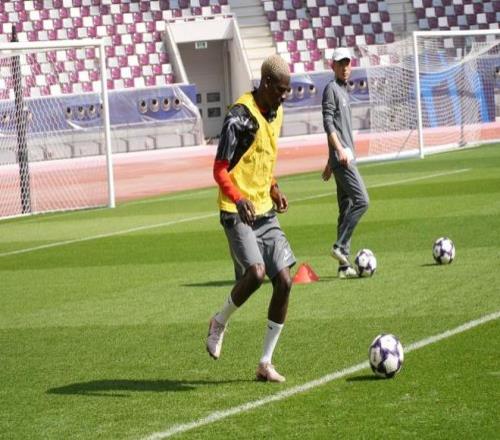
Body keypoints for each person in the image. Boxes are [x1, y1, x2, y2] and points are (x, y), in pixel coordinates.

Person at [206, 54, 295, 383]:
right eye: (281, 90)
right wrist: (239, 198)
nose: (285, 96)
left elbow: (264, 159)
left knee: (284, 281)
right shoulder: (239, 117)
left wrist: (274, 188)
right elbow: (219, 169)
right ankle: (219, 322)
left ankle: (265, 363)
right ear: (266, 83)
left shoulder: (277, 112)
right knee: (256, 274)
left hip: (264, 209)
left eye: (287, 90)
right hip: (236, 210)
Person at [322, 47, 369, 279]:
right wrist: (338, 152)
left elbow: (337, 129)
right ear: (333, 66)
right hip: (344, 159)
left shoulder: (343, 90)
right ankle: (340, 247)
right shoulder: (331, 89)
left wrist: (329, 161)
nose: (345, 67)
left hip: (341, 158)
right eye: (341, 63)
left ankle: (343, 266)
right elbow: (328, 123)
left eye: (347, 63)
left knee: (346, 210)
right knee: (362, 201)